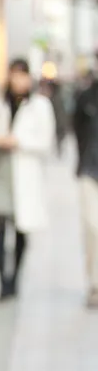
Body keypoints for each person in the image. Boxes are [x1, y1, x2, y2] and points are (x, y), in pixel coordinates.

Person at [0, 59, 56, 300]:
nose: (18, 80)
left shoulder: (40, 105)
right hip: (1, 171)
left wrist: (19, 142)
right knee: (0, 228)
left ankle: (15, 278)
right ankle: (3, 281)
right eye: (14, 74)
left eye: (22, 75)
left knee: (21, 231)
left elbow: (46, 142)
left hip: (24, 173)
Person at [73, 66, 98, 308]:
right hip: (90, 170)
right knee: (93, 227)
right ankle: (94, 284)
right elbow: (78, 130)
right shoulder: (86, 97)